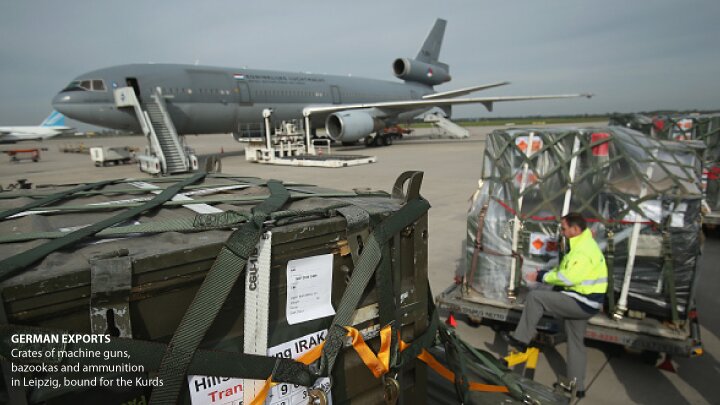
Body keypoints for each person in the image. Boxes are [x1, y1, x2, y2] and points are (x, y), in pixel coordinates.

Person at [505, 212, 608, 398]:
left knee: (535, 298)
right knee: (576, 342)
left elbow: (568, 278)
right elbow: (565, 270)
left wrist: (540, 276)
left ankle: (520, 341)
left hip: (581, 301)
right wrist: (546, 272)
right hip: (588, 302)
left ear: (575, 229)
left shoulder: (582, 251)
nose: (561, 231)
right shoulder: (582, 244)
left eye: (564, 228)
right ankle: (577, 386)